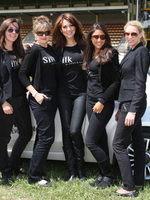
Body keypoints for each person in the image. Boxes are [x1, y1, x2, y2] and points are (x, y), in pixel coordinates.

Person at [0, 18, 32, 184]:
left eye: (17, 30)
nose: (14, 33)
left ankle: (13, 165)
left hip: (21, 99)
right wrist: (3, 101)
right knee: (4, 137)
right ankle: (5, 170)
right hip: (6, 101)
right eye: (10, 30)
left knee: (26, 133)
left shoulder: (20, 50)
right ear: (3, 31)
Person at [19, 15, 58, 187]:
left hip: (52, 98)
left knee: (43, 136)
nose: (44, 35)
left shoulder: (50, 49)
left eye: (46, 32)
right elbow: (22, 74)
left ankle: (36, 170)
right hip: (40, 99)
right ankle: (34, 176)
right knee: (47, 137)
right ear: (35, 33)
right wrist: (35, 93)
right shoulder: (33, 50)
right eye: (40, 33)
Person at [112, 20, 149, 197]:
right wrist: (121, 107)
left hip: (134, 102)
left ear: (141, 35)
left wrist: (132, 110)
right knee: (138, 143)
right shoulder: (132, 51)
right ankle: (138, 181)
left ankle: (129, 187)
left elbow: (140, 83)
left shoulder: (141, 51)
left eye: (134, 34)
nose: (130, 37)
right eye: (127, 34)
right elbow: (126, 82)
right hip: (129, 102)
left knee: (118, 144)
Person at [82, 23, 121, 189]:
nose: (99, 40)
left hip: (102, 102)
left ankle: (110, 175)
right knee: (100, 139)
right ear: (91, 38)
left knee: (90, 141)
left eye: (102, 37)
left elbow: (116, 82)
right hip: (89, 100)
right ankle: (102, 175)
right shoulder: (90, 52)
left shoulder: (111, 53)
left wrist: (102, 101)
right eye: (96, 36)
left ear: (107, 37)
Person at [52, 13, 87, 182]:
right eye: (64, 27)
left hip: (81, 93)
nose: (68, 29)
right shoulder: (57, 49)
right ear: (60, 29)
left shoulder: (85, 45)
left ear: (75, 26)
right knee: (67, 132)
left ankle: (82, 170)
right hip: (63, 94)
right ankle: (72, 171)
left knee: (75, 130)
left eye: (70, 25)